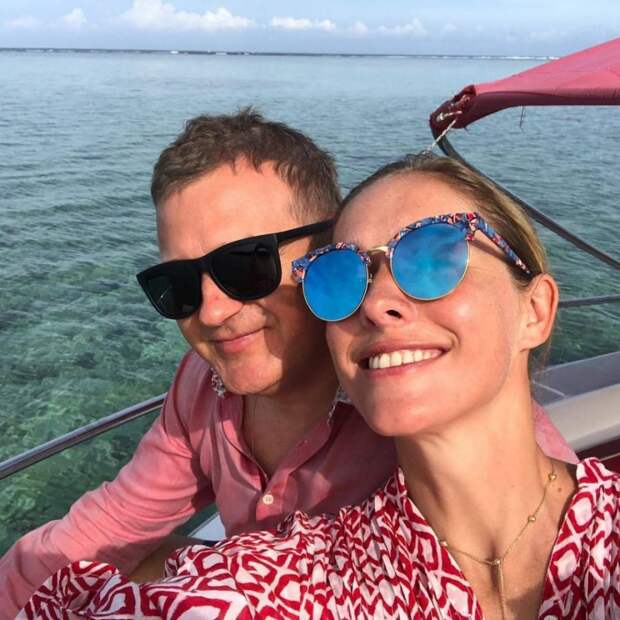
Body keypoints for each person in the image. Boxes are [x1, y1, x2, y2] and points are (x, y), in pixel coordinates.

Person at [10, 136, 579, 618]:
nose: (210, 312)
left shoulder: (411, 395)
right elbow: (114, 524)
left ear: (327, 256)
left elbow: (533, 509)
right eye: (178, 286)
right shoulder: (203, 384)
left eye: (245, 265)